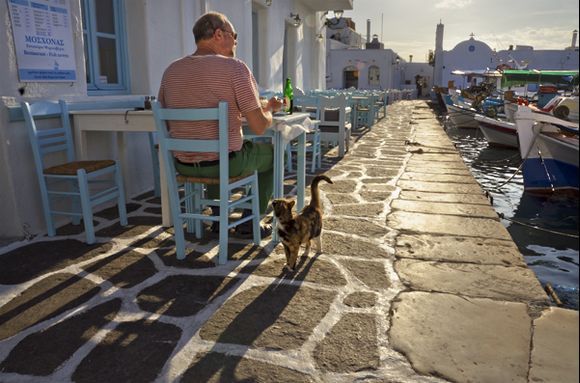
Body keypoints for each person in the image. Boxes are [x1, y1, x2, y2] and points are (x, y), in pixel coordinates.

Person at [158, 12, 283, 236]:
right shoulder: (235, 68)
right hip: (224, 163)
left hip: (182, 164)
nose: (235, 41)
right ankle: (249, 220)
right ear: (218, 34)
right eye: (234, 35)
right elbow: (258, 127)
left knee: (214, 149)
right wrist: (270, 111)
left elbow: (168, 117)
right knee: (274, 154)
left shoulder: (170, 72)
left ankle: (217, 216)